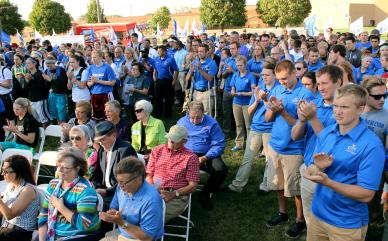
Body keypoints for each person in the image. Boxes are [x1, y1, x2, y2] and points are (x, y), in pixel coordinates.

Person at [304, 84, 385, 241]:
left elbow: (366, 194)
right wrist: (317, 167)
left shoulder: (372, 146)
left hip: (346, 224)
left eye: (344, 107)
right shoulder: (327, 132)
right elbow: (310, 168)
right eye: (335, 106)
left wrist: (329, 183)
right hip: (317, 214)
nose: (337, 112)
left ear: (360, 109)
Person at [265, 60, 314, 238]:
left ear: (295, 73)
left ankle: (300, 220)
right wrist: (272, 109)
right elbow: (268, 118)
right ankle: (282, 213)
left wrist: (283, 112)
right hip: (275, 145)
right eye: (279, 79)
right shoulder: (277, 89)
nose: (282, 82)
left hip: (294, 148)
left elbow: (303, 127)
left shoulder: (305, 94)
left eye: (285, 78)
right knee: (278, 184)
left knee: (296, 189)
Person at [291, 65, 342, 225]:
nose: (320, 88)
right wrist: (302, 120)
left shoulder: (344, 109)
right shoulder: (314, 103)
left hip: (331, 175)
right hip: (308, 170)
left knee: (330, 222)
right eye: (318, 84)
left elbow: (329, 143)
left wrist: (312, 118)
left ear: (338, 82)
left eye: (324, 83)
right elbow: (295, 136)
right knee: (310, 218)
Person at [227, 61, 279, 193]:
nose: (264, 77)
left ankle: (266, 186)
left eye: (267, 75)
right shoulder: (259, 87)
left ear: (275, 75)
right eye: (262, 75)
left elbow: (276, 111)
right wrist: (257, 100)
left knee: (270, 159)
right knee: (247, 157)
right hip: (256, 127)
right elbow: (250, 111)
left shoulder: (279, 89)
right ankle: (237, 185)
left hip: (271, 129)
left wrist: (266, 100)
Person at [38, 148, 101, 241]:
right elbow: (43, 216)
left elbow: (83, 225)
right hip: (53, 235)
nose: (59, 170)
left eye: (65, 167)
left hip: (79, 236)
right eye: (58, 166)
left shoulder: (86, 190)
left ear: (77, 168)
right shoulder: (53, 185)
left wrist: (61, 207)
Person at [177, 101, 228, 210]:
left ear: (203, 113)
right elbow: (176, 140)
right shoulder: (181, 122)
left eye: (198, 118)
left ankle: (205, 193)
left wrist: (205, 157)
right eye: (192, 118)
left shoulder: (212, 123)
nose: (195, 121)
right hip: (186, 153)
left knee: (220, 170)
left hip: (206, 153)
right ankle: (179, 192)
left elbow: (219, 144)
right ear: (188, 113)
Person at [100, 157, 164, 241]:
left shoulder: (152, 200)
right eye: (118, 181)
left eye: (124, 182)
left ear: (139, 179)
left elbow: (147, 237)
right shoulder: (121, 187)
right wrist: (113, 212)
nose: (120, 185)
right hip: (121, 233)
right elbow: (114, 206)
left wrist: (121, 222)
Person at [146, 125, 200, 222]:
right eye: (170, 137)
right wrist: (152, 190)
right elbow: (149, 175)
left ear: (184, 141)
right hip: (154, 191)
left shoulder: (191, 157)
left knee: (151, 216)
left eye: (175, 139)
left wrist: (174, 194)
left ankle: (140, 234)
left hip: (175, 197)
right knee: (134, 210)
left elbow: (193, 186)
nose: (171, 140)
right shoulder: (157, 150)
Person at [90, 121, 137, 209]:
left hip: (121, 194)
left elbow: (128, 180)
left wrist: (106, 191)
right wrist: (92, 185)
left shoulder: (125, 150)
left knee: (92, 207)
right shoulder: (102, 150)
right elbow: (98, 175)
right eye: (98, 140)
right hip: (104, 191)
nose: (100, 143)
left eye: (103, 139)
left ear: (113, 135)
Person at [0, 155, 39, 241]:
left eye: (6, 171)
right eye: (3, 170)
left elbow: (9, 215)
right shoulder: (10, 185)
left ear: (19, 172)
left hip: (19, 232)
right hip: (7, 229)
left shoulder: (28, 189)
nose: (3, 174)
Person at [230, 55, 255, 151]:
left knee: (248, 125)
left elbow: (253, 92)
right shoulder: (235, 74)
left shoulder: (250, 76)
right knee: (238, 124)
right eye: (237, 65)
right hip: (236, 102)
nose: (239, 67)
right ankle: (239, 143)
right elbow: (232, 86)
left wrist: (242, 93)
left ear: (245, 65)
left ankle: (250, 145)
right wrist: (233, 90)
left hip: (247, 103)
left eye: (241, 65)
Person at [185, 43, 217, 115]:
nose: (199, 53)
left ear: (207, 52)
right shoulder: (195, 62)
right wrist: (191, 72)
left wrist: (200, 69)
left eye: (202, 51)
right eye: (198, 51)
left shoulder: (212, 63)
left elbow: (210, 78)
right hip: (196, 92)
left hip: (207, 92)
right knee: (196, 113)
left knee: (206, 114)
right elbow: (187, 78)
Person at [87, 50, 116, 121]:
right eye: (92, 57)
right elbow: (88, 83)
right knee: (96, 117)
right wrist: (93, 82)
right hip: (94, 95)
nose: (93, 59)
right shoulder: (91, 68)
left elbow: (112, 82)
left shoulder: (107, 67)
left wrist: (98, 81)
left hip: (105, 94)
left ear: (100, 57)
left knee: (108, 116)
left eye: (95, 57)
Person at [153, 45, 178, 118]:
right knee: (158, 98)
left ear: (164, 51)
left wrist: (174, 80)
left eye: (160, 51)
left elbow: (176, 70)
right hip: (159, 81)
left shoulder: (170, 59)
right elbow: (155, 69)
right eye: (158, 51)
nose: (158, 52)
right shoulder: (156, 59)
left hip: (168, 80)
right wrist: (154, 77)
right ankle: (158, 115)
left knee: (168, 98)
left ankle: (168, 115)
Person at [24, 57, 51, 127]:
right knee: (35, 117)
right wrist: (27, 81)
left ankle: (46, 133)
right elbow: (25, 89)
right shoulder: (27, 74)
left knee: (43, 117)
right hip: (31, 99)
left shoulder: (40, 73)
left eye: (28, 63)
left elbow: (42, 87)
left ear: (34, 64)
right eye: (26, 63)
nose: (26, 65)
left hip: (40, 99)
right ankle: (38, 133)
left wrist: (31, 80)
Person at [43, 55, 69, 124]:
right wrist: (46, 81)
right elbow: (46, 86)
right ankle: (58, 129)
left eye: (50, 65)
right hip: (52, 95)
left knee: (62, 114)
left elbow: (63, 84)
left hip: (61, 95)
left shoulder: (61, 70)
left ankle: (63, 129)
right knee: (54, 114)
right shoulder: (46, 71)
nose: (49, 67)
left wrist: (50, 80)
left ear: (54, 63)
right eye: (47, 66)